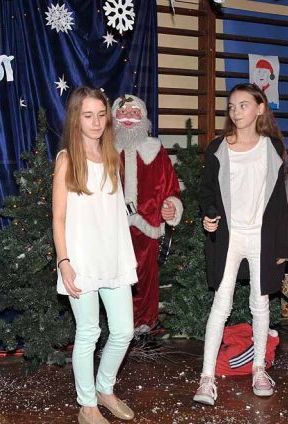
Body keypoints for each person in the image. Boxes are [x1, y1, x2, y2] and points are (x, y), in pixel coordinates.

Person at [194, 83, 288, 406]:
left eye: (243, 105)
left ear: (260, 108)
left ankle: (259, 368)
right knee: (220, 304)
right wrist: (209, 215)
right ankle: (207, 377)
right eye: (232, 106)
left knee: (259, 304)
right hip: (230, 237)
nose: (236, 112)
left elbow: (279, 202)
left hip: (261, 237)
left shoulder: (272, 147)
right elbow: (207, 190)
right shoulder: (218, 147)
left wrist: (281, 247)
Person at [52, 86, 138, 424]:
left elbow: (113, 211)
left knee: (123, 331)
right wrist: (64, 262)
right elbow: (59, 217)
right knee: (88, 332)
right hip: (81, 259)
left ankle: (105, 388)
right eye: (88, 115)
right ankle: (87, 405)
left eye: (101, 115)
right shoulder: (67, 159)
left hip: (113, 256)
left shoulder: (112, 155)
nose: (96, 122)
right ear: (76, 118)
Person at [111, 94, 183, 334]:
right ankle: (117, 325)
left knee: (146, 275)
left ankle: (144, 323)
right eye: (123, 112)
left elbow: (170, 185)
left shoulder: (155, 149)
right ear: (114, 117)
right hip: (113, 225)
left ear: (143, 117)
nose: (129, 117)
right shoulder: (105, 150)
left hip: (147, 223)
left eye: (135, 112)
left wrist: (171, 205)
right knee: (114, 276)